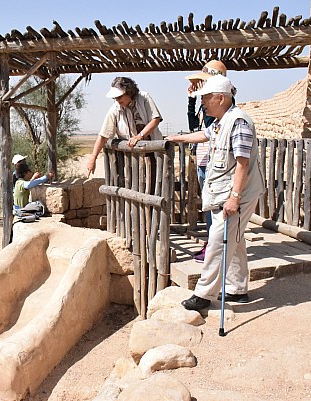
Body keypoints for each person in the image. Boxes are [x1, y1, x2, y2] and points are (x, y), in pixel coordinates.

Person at [166, 75, 264, 311]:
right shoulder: (222, 121)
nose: (203, 102)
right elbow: (204, 135)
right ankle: (237, 289)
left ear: (221, 98)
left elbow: (242, 163)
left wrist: (234, 198)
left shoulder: (239, 122)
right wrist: (176, 138)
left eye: (206, 98)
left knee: (218, 241)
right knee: (235, 240)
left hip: (238, 194)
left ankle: (204, 293)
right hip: (228, 192)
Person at [185, 60, 228, 262]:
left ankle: (214, 246)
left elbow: (208, 128)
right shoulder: (207, 105)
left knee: (215, 207)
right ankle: (212, 244)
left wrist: (203, 98)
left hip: (214, 162)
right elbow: (194, 125)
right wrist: (192, 99)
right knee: (209, 205)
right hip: (204, 160)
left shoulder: (221, 106)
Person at [86, 77, 163, 177]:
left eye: (119, 97)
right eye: (115, 98)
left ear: (129, 92)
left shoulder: (144, 98)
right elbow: (103, 135)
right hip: (131, 157)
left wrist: (140, 136)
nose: (117, 100)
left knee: (154, 179)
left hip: (152, 151)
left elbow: (155, 119)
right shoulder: (114, 109)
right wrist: (93, 158)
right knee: (134, 182)